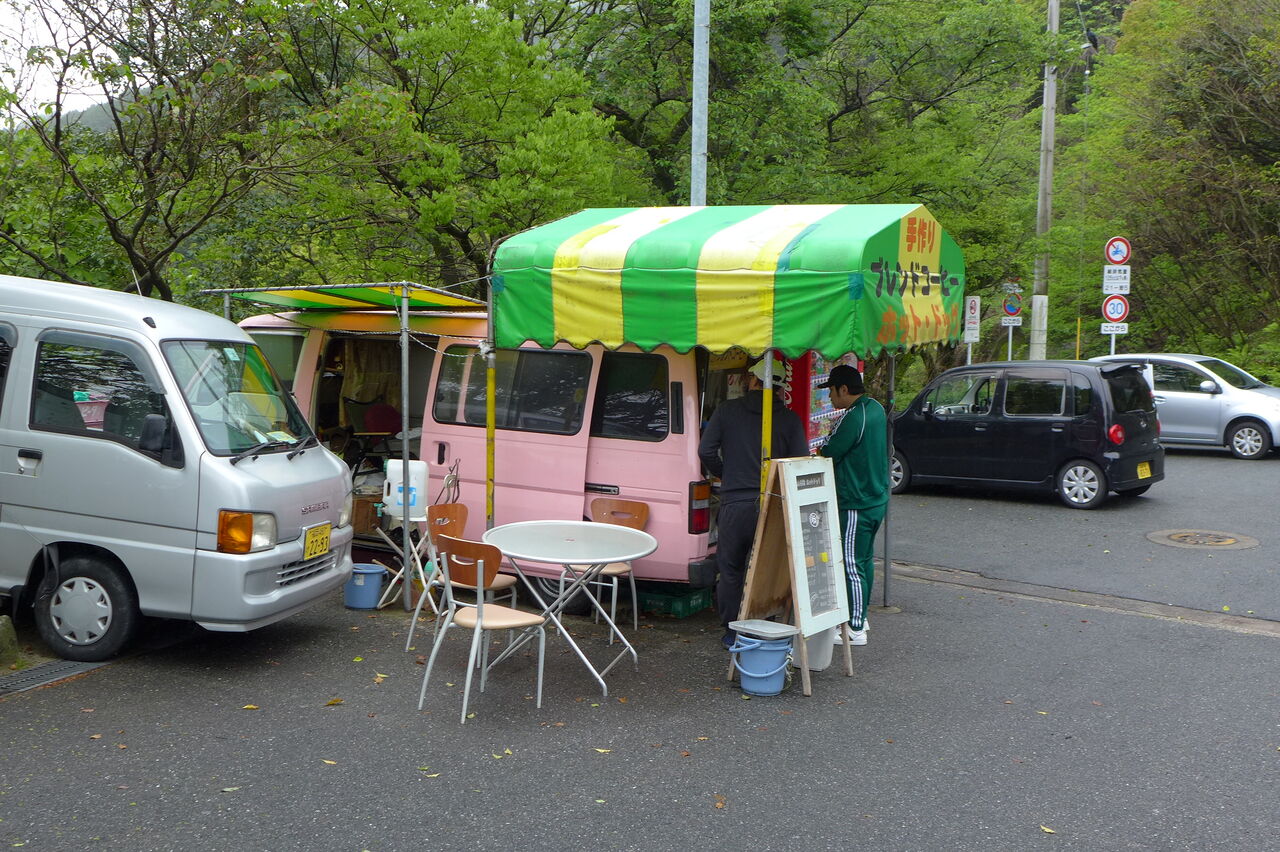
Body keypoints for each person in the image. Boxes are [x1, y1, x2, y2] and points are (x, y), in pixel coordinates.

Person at [698, 359, 808, 649]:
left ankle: (731, 631)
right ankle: (763, 627)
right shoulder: (790, 420)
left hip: (735, 501)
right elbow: (800, 462)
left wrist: (727, 473)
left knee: (730, 568)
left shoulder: (727, 411)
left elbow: (705, 450)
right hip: (772, 504)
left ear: (754, 381)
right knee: (766, 568)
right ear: (780, 387)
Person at [817, 363, 889, 646]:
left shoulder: (853, 417)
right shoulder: (876, 408)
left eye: (831, 391)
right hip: (876, 498)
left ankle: (854, 629)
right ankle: (862, 615)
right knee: (865, 559)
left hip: (856, 502)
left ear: (844, 389)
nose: (829, 397)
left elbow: (829, 451)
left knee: (851, 564)